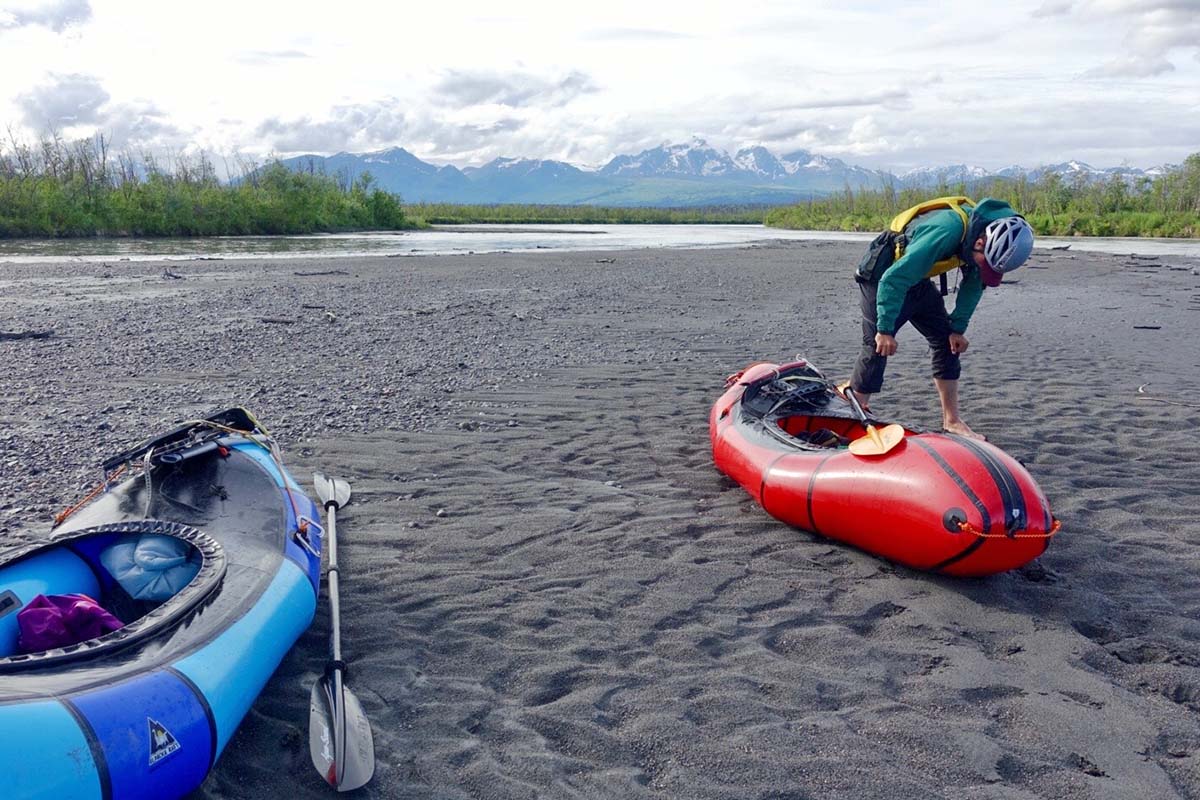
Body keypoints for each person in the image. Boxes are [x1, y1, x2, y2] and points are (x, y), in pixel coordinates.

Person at [844, 197, 1034, 440]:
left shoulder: (990, 239)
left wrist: (957, 328)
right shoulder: (945, 231)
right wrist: (885, 329)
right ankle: (853, 417)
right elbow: (893, 279)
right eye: (985, 263)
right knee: (877, 346)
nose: (983, 268)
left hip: (916, 277)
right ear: (979, 243)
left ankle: (952, 421)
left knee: (947, 342)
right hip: (883, 276)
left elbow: (975, 283)